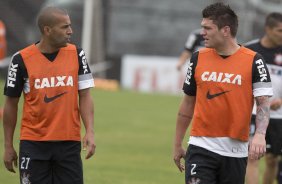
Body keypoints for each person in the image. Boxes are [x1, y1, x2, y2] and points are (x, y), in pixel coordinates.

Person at [173, 2, 273, 184]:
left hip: (235, 151)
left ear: (225, 30)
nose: (202, 32)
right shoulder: (197, 58)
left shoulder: (255, 61)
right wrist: (177, 143)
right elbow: (188, 102)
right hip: (200, 146)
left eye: (207, 28)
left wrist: (259, 134)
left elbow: (263, 103)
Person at [3, 7, 96, 184]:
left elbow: (85, 95)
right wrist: (8, 145)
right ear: (47, 30)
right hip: (34, 145)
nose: (70, 31)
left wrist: (89, 131)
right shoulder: (20, 60)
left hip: (69, 144)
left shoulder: (77, 54)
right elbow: (10, 104)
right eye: (65, 27)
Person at [245, 12, 282, 184]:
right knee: (252, 156)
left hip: (278, 116)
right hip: (253, 113)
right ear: (268, 29)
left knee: (272, 160)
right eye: (279, 30)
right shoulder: (249, 50)